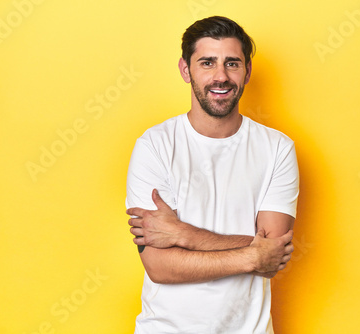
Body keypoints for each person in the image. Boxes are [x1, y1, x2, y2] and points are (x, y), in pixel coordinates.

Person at [125, 16, 299, 334]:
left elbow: (272, 253)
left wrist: (185, 236)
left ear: (247, 71)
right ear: (185, 69)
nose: (221, 76)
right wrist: (251, 255)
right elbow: (160, 266)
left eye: (232, 63)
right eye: (207, 62)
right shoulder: (154, 146)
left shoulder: (277, 148)